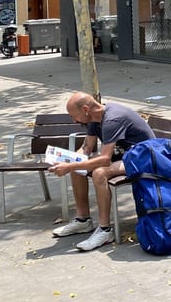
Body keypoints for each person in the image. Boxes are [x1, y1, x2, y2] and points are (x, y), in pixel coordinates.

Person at [49, 92, 155, 251]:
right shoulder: (93, 118)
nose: (73, 120)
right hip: (123, 156)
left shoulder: (112, 119)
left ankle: (105, 230)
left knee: (100, 172)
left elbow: (105, 159)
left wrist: (70, 166)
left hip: (144, 158)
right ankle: (83, 220)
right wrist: (68, 160)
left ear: (85, 109)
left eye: (74, 115)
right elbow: (85, 149)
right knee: (77, 166)